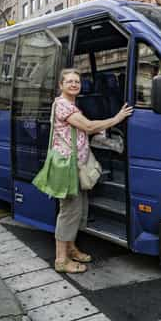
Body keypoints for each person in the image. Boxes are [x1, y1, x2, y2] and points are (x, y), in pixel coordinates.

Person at [51, 68, 133, 273]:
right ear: (61, 85)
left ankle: (71, 248)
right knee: (69, 212)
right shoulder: (62, 105)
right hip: (68, 167)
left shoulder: (71, 104)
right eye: (69, 81)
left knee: (78, 210)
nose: (74, 85)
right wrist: (117, 118)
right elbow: (88, 127)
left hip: (78, 164)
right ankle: (61, 260)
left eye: (77, 82)